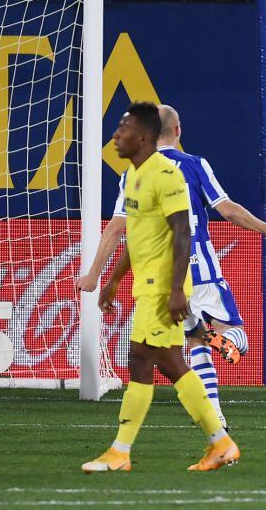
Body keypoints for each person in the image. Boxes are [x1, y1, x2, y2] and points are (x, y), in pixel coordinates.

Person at [77, 104, 266, 427]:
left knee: (191, 343)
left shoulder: (134, 173)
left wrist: (94, 274)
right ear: (178, 131)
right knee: (237, 337)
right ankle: (225, 341)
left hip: (161, 277)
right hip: (201, 269)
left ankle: (212, 414)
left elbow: (117, 229)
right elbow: (227, 209)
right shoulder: (195, 165)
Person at [82, 102, 238, 472]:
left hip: (164, 285)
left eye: (125, 129)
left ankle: (120, 452)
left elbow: (182, 233)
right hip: (146, 282)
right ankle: (221, 442)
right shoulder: (133, 176)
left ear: (146, 136)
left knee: (142, 360)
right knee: (169, 362)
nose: (117, 136)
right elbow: (136, 236)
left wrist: (177, 290)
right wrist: (115, 279)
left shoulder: (167, 175)